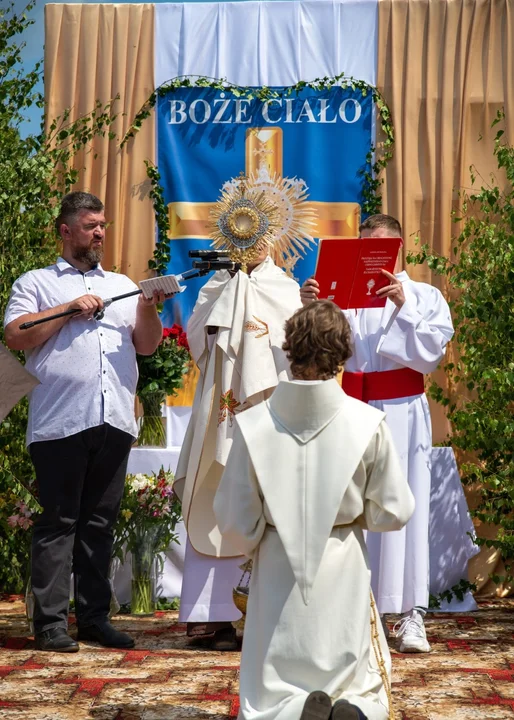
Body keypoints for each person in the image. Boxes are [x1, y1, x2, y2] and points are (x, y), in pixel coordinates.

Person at [214, 300, 415, 720]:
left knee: (272, 687)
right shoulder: (366, 422)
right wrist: (353, 517)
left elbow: (234, 521)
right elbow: (393, 511)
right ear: (343, 352)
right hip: (341, 562)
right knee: (354, 674)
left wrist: (260, 535)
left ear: (289, 349)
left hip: (275, 566)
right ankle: (352, 707)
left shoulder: (253, 423)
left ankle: (289, 710)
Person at [4, 191, 167, 653]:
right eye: (91, 224)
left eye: (103, 224)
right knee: (59, 522)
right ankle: (51, 624)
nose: (100, 232)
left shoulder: (120, 283)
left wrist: (148, 306)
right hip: (59, 421)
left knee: (100, 523)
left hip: (113, 416)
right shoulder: (36, 283)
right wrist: (69, 309)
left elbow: (148, 346)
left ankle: (95, 618)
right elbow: (15, 336)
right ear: (65, 230)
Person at [300, 214, 454, 653]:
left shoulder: (425, 296)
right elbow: (311, 354)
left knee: (405, 504)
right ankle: (353, 610)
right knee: (347, 507)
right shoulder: (342, 299)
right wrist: (311, 305)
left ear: (398, 247)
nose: (371, 257)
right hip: (347, 410)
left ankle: (411, 615)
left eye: (380, 248)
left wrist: (404, 306)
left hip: (402, 409)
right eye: (363, 247)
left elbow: (429, 357)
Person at [174, 246, 303, 651]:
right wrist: (225, 309)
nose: (251, 246)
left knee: (269, 498)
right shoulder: (216, 284)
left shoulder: (285, 286)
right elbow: (198, 338)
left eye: (259, 236)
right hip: (221, 408)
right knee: (215, 493)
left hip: (268, 403)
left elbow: (295, 350)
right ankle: (211, 616)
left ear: (272, 239)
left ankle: (271, 612)